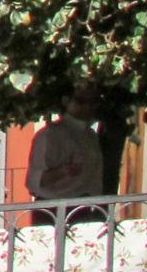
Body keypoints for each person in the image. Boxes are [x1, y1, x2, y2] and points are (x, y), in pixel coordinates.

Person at [26, 82, 104, 223]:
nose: (87, 107)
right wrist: (63, 172)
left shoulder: (91, 135)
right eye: (80, 101)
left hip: (86, 209)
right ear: (66, 101)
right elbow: (35, 182)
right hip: (53, 211)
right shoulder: (50, 134)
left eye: (92, 102)